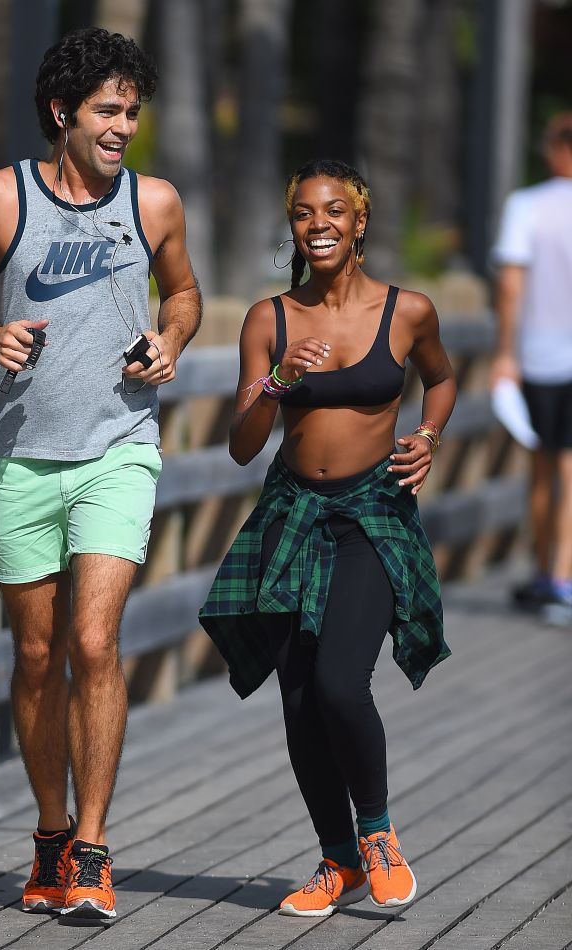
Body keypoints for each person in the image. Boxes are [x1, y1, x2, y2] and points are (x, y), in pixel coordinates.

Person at [0, 27, 201, 921]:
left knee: (93, 644)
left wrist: (172, 338)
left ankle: (92, 847)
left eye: (132, 111)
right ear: (62, 113)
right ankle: (48, 833)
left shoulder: (154, 201)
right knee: (37, 657)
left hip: (119, 450)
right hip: (20, 457)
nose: (124, 126)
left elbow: (186, 292)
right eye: (108, 111)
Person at [199, 159, 455, 918]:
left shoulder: (408, 311)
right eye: (306, 213)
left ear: (360, 221)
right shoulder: (268, 319)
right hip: (291, 516)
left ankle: (376, 833)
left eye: (334, 211)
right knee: (302, 701)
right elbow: (243, 444)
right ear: (293, 227)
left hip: (372, 514)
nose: (319, 225)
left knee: (343, 684)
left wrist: (431, 434)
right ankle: (336, 860)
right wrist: (276, 381)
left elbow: (440, 377)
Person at [491, 113, 572, 625]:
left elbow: (510, 286)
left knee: (542, 466)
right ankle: (562, 579)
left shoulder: (526, 205)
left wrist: (505, 353)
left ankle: (548, 573)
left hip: (541, 354)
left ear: (553, 149)